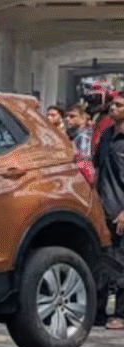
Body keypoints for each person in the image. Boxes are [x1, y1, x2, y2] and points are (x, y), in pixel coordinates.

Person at [93, 93, 124, 329]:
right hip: (102, 209)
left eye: (119, 105)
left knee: (121, 263)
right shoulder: (105, 135)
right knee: (103, 261)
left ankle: (121, 314)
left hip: (121, 210)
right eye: (113, 104)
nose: (113, 108)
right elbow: (96, 168)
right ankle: (98, 312)